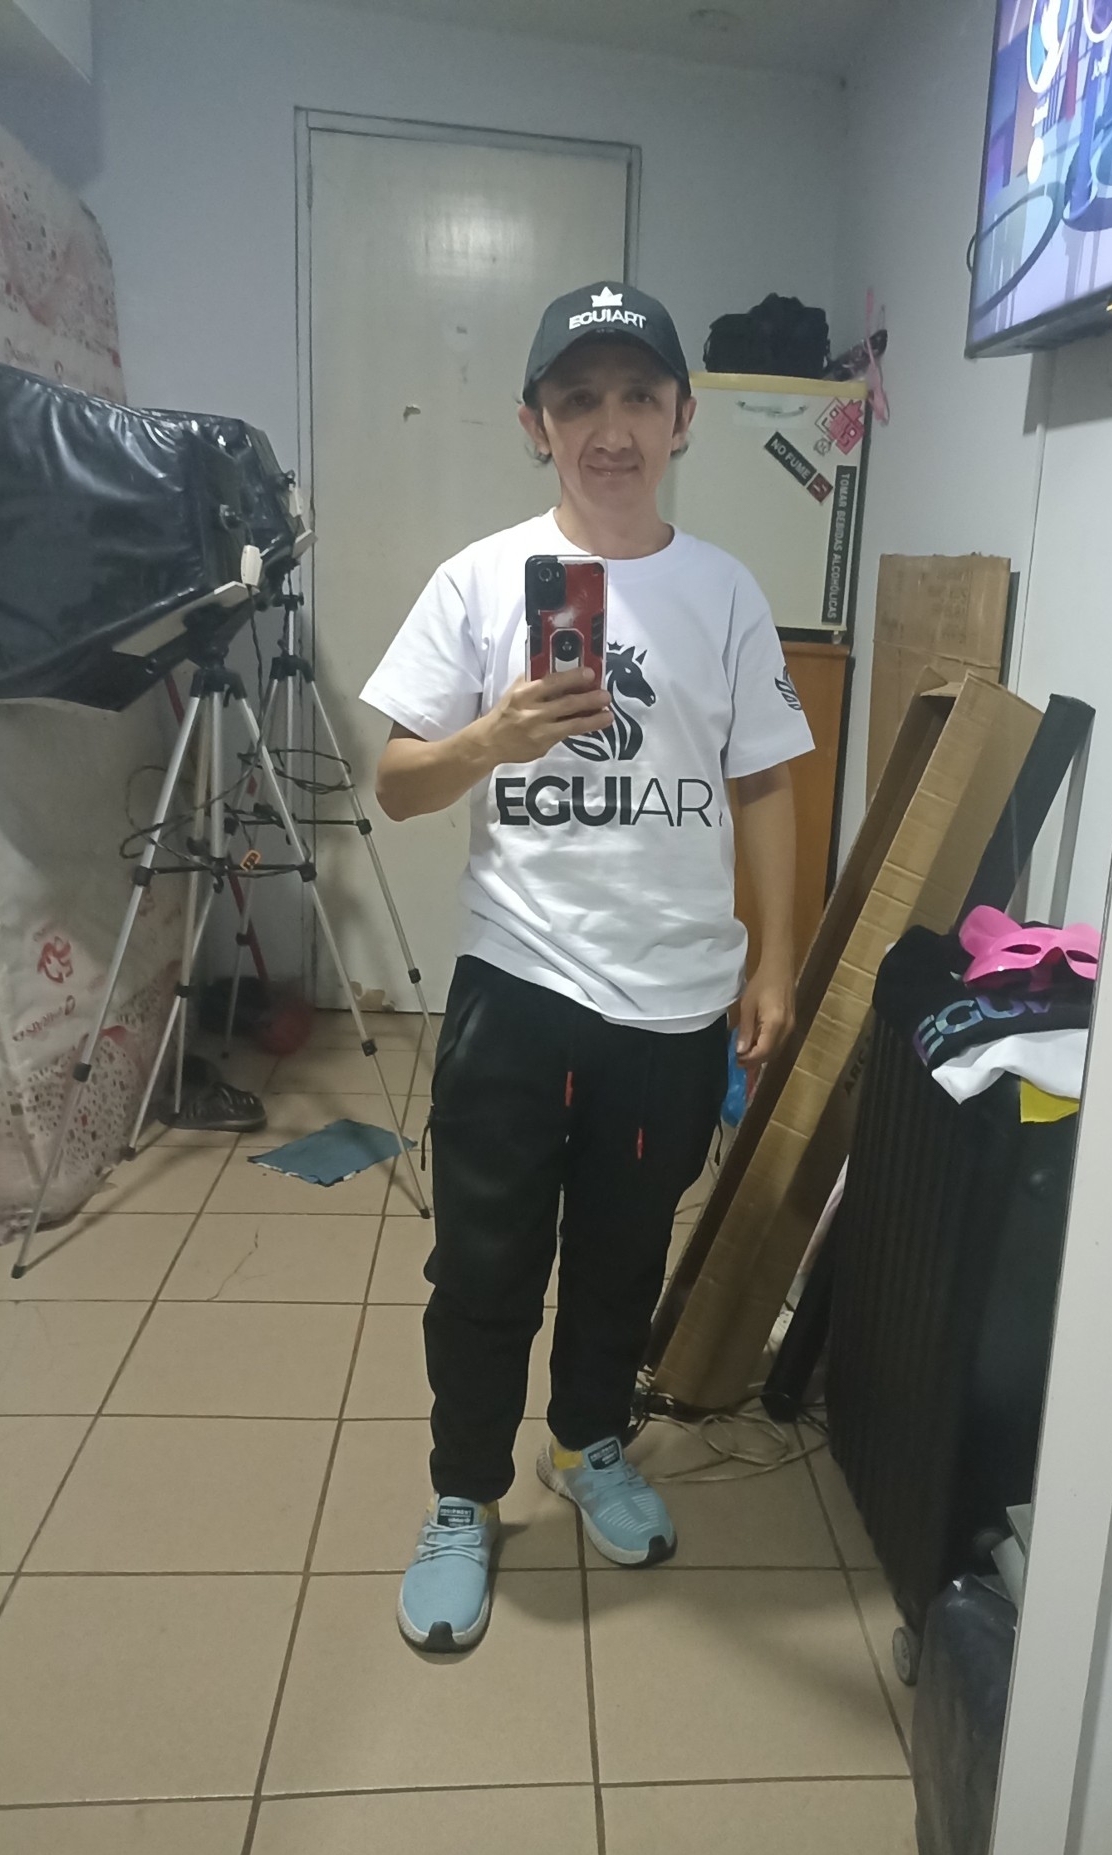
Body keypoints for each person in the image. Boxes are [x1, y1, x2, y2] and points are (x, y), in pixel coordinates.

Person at [361, 281, 812, 1651]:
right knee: (484, 1265)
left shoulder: (725, 590)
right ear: (534, 424)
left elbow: (765, 782)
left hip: (675, 999)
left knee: (622, 1257)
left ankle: (588, 1442)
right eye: (577, 400)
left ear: (681, 416)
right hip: (519, 983)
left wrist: (776, 962)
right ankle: (462, 1497)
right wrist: (490, 740)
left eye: (636, 396)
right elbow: (396, 783)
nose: (609, 427)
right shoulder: (477, 580)